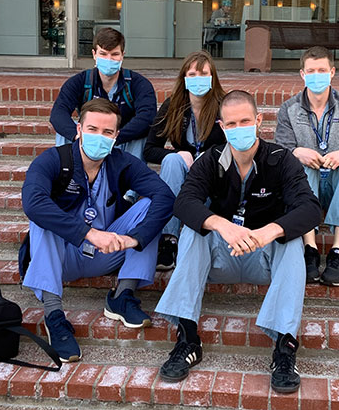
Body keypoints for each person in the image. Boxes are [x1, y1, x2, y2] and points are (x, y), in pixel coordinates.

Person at [155, 90, 321, 393]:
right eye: (231, 124)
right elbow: (184, 202)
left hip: (263, 257)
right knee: (193, 230)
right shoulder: (210, 159)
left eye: (245, 121)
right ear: (222, 126)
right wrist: (222, 225)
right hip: (222, 256)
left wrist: (268, 232)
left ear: (258, 120)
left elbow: (310, 208)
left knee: (291, 240)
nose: (238, 128)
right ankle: (188, 338)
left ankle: (285, 348)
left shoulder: (280, 159)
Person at [21, 98, 175, 363]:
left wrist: (134, 238)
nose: (99, 137)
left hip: (105, 252)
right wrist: (89, 233)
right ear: (79, 129)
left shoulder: (121, 162)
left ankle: (123, 295)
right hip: (63, 257)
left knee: (151, 206)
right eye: (92, 129)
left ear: (116, 136)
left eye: (107, 132)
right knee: (43, 218)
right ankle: (54, 315)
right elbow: (32, 203)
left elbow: (165, 196)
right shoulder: (53, 160)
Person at [274, 46, 339, 286]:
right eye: (311, 71)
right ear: (302, 74)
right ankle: (310, 248)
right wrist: (295, 152)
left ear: (332, 72)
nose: (316, 75)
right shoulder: (289, 109)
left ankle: (337, 251)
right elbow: (278, 152)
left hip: (336, 185)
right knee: (300, 166)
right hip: (305, 184)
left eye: (322, 70)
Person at [143, 50, 226, 270]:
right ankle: (169, 240)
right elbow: (150, 150)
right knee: (171, 162)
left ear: (212, 77)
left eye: (204, 74)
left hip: (213, 178)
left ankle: (195, 238)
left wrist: (211, 157)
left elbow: (237, 148)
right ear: (184, 78)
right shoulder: (173, 105)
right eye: (192, 74)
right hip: (182, 175)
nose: (198, 79)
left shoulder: (224, 105)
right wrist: (177, 154)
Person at [50, 27, 157, 186]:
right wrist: (78, 136)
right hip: (89, 138)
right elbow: (58, 114)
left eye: (114, 54)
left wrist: (114, 137)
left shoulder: (138, 83)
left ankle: (130, 189)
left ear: (122, 55)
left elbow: (147, 116)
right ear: (94, 54)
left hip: (122, 139)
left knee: (142, 133)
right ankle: (67, 180)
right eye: (103, 54)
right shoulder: (79, 82)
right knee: (65, 129)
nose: (109, 59)